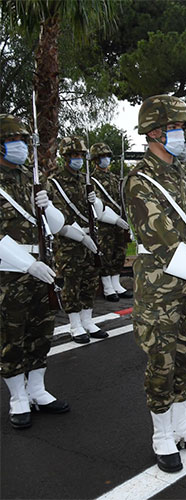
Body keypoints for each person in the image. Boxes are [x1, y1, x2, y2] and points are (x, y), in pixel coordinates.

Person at [124, 95, 186, 473]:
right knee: (162, 362)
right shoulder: (139, 181)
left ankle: (181, 424)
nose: (181, 133)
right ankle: (162, 434)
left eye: (182, 127)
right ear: (153, 132)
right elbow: (165, 244)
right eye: (173, 128)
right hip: (159, 287)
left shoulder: (185, 173)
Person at [0, 113, 70, 429]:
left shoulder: (31, 178)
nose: (20, 146)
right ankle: (18, 397)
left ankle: (38, 390)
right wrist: (29, 264)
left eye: (22, 140)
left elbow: (56, 226)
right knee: (11, 335)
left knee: (41, 331)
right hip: (9, 273)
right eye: (12, 140)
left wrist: (47, 205)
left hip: (41, 267)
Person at [49, 137, 107, 343]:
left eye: (81, 155)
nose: (78, 159)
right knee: (71, 282)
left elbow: (98, 211)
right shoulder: (54, 182)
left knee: (90, 280)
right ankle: (75, 325)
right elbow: (58, 216)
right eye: (74, 155)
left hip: (90, 235)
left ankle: (88, 321)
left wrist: (96, 201)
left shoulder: (86, 180)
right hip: (69, 241)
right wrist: (82, 238)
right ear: (65, 157)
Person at [89, 142, 132, 302]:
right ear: (95, 159)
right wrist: (115, 219)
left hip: (119, 223)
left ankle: (116, 284)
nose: (105, 159)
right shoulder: (92, 180)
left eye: (107, 156)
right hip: (104, 224)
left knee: (119, 252)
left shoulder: (115, 179)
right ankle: (108, 288)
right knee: (106, 254)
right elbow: (99, 204)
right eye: (102, 157)